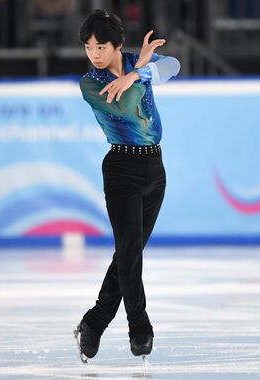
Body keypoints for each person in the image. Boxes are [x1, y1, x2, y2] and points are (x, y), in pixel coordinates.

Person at [74, 9, 180, 362]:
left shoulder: (137, 64)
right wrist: (139, 76)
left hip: (155, 168)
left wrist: (141, 70)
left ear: (118, 44)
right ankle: (140, 327)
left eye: (101, 45)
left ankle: (94, 322)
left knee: (128, 253)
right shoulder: (90, 82)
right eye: (89, 47)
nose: (95, 53)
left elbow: (173, 66)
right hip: (121, 170)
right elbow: (128, 104)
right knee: (131, 254)